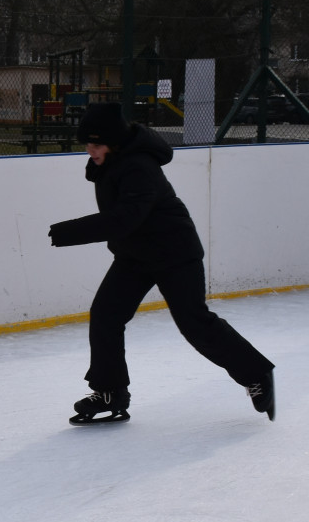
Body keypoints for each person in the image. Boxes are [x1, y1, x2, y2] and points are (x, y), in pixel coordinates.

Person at [47, 102, 275, 424]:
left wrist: (68, 232)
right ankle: (110, 392)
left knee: (194, 322)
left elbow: (126, 218)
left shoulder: (140, 166)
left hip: (175, 253)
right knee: (105, 315)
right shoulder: (111, 161)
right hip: (136, 255)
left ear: (114, 142)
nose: (90, 150)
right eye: (87, 143)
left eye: (96, 144)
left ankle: (257, 373)